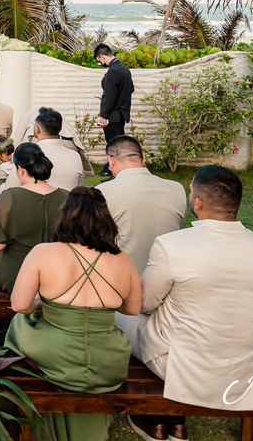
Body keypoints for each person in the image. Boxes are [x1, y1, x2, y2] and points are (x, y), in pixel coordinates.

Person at [114, 167, 253, 441]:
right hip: (244, 361)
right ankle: (170, 421)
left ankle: (150, 416)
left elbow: (144, 304)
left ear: (196, 202)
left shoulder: (172, 245)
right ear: (239, 204)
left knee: (118, 317)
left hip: (181, 363)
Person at [5, 187, 142, 441]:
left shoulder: (44, 252)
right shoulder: (122, 260)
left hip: (54, 354)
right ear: (105, 219)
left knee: (19, 323)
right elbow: (133, 309)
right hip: (108, 361)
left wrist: (42, 306)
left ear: (65, 216)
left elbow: (19, 305)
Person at [96, 135, 186, 276]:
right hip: (169, 278)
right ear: (143, 159)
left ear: (110, 161)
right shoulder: (177, 189)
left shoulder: (101, 192)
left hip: (123, 279)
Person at [0, 143, 68, 292]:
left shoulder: (10, 196)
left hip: (15, 275)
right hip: (56, 274)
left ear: (21, 170)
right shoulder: (67, 197)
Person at [11, 107, 94, 177]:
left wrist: (15, 158)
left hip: (37, 140)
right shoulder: (58, 117)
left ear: (37, 129)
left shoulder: (27, 115)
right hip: (69, 141)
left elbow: (18, 139)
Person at [95, 43, 134, 176]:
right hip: (121, 113)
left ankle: (115, 173)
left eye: (99, 60)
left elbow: (110, 96)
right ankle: (111, 169)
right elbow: (130, 89)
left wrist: (104, 116)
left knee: (114, 145)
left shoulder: (113, 71)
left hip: (113, 115)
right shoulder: (123, 68)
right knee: (118, 143)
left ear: (102, 56)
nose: (101, 63)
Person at [31, 107, 85, 190]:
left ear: (37, 129)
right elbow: (80, 188)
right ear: (60, 129)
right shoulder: (75, 156)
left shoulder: (28, 154)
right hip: (68, 202)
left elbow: (11, 186)